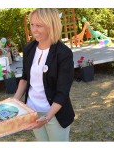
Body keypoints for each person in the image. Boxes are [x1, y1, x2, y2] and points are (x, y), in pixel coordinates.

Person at [13, 8, 75, 141]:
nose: (34, 30)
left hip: (55, 113)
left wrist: (47, 117)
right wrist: (14, 102)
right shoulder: (29, 48)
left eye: (39, 25)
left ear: (51, 25)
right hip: (33, 111)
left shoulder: (63, 53)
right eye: (32, 25)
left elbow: (62, 92)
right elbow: (25, 79)